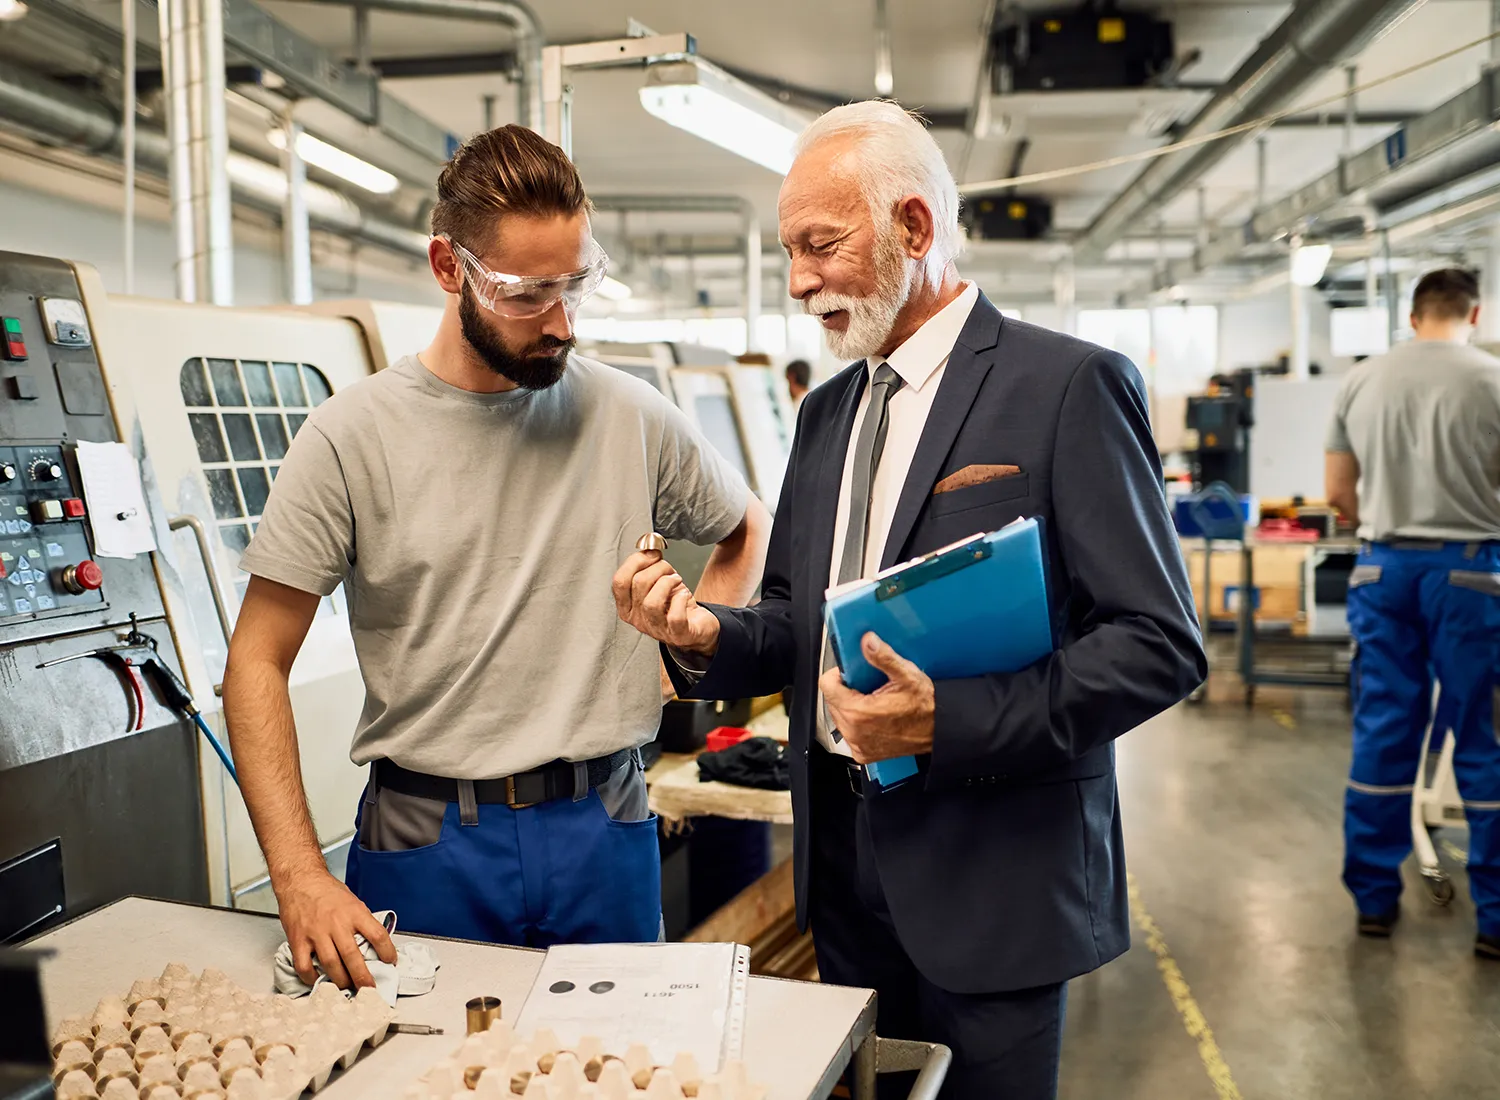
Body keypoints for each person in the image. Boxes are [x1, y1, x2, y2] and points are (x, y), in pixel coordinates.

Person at [612, 102, 1204, 1098]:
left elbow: (1156, 642)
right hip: (843, 869)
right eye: (788, 251)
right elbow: (804, 613)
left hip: (995, 876)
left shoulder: (1067, 386)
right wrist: (707, 632)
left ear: (915, 228)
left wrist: (947, 721)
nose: (799, 281)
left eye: (820, 245)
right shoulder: (827, 412)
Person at [223, 125, 771, 990]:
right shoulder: (349, 437)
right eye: (527, 294)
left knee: (620, 1075)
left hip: (606, 824)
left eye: (576, 284)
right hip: (428, 840)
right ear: (450, 267)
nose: (560, 322)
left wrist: (688, 657)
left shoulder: (630, 415)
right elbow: (254, 661)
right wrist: (298, 874)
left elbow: (746, 526)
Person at [1325, 267, 1500, 960]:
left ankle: (1374, 901)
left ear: (1414, 313)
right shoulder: (1490, 379)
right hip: (1469, 574)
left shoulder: (1363, 379)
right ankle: (1494, 918)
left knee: (1384, 729)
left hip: (1382, 568)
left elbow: (1340, 491)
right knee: (1483, 737)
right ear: (1474, 312)